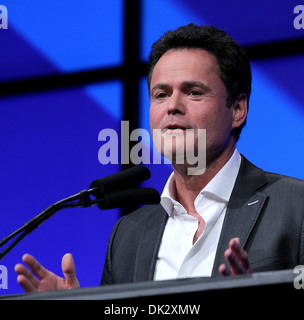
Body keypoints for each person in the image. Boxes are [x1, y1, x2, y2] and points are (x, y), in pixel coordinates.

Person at [15, 24, 304, 292]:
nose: (173, 107)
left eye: (193, 92)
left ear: (238, 109)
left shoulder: (294, 205)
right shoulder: (127, 235)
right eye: (161, 94)